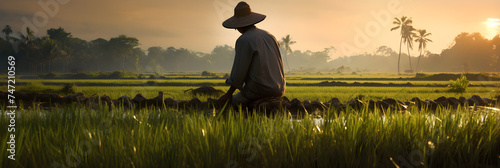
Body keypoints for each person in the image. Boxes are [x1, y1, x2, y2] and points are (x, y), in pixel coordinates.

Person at [218, 1, 286, 107]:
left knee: (229, 105)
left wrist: (228, 94)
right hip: (279, 89)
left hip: (258, 91)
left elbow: (238, 74)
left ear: (238, 25)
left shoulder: (243, 40)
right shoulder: (270, 36)